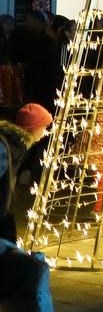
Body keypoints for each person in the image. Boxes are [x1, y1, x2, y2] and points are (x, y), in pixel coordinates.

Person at [0, 103, 51, 242]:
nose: (45, 131)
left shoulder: (16, 144)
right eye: (44, 127)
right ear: (33, 128)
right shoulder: (11, 146)